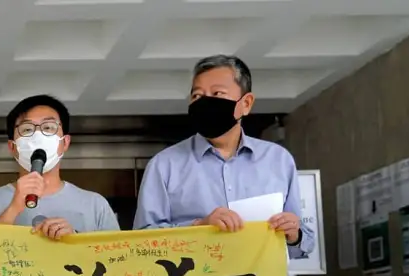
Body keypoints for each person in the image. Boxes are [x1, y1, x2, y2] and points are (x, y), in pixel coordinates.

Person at [133, 54, 314, 258]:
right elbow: (142, 244)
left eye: (217, 93)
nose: (204, 103)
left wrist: (294, 235)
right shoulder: (165, 165)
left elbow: (302, 244)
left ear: (246, 103)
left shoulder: (278, 160)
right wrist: (199, 227)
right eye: (197, 96)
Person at [0, 94, 119, 239]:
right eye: (27, 129)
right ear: (12, 147)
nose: (38, 136)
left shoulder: (95, 205)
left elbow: (118, 261)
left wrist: (75, 239)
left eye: (48, 128)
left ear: (65, 142)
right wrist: (14, 208)